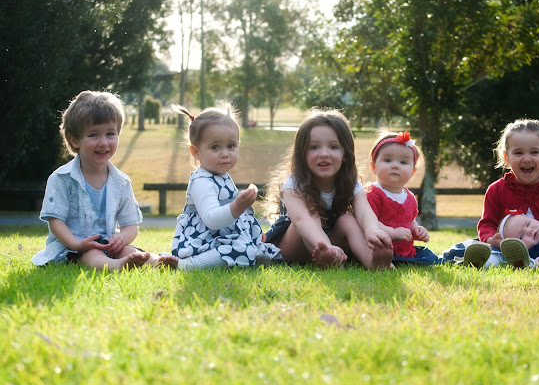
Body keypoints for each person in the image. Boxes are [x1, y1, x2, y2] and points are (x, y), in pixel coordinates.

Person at [32, 91, 178, 270]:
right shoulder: (62, 178)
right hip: (72, 248)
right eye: (93, 135)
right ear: (74, 140)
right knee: (92, 254)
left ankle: (156, 261)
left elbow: (131, 226)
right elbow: (56, 222)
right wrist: (77, 244)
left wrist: (121, 238)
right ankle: (115, 266)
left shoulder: (121, 182)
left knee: (128, 250)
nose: (103, 142)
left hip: (107, 245)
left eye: (110, 134)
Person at [447, 119, 539, 267]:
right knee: (473, 248)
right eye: (518, 153)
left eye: (534, 152)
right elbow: (487, 224)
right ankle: (459, 259)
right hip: (507, 250)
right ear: (506, 157)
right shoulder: (497, 190)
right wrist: (491, 239)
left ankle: (536, 262)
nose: (526, 159)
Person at [264, 109, 394, 270]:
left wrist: (372, 231)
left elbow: (364, 212)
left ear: (345, 153)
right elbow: (301, 220)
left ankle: (374, 263)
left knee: (348, 219)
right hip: (294, 246)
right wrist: (326, 246)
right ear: (302, 154)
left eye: (333, 147)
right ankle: (329, 255)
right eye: (314, 147)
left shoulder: (350, 183)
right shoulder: (294, 184)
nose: (324, 154)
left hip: (330, 244)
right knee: (312, 216)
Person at [171, 103, 281, 269]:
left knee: (256, 249)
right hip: (201, 242)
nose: (225, 154)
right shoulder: (202, 181)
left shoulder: (221, 176)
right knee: (239, 250)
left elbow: (235, 220)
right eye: (215, 147)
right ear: (196, 152)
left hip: (222, 238)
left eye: (231, 146)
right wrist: (237, 206)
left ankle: (250, 251)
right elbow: (212, 220)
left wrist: (253, 233)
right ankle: (187, 265)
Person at [366, 130, 440, 264]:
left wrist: (417, 230)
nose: (395, 166)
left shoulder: (409, 197)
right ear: (373, 166)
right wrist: (393, 233)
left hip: (405, 251)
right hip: (379, 250)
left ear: (413, 172)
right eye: (387, 160)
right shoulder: (372, 193)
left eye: (403, 162)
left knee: (431, 258)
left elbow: (409, 220)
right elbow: (368, 222)